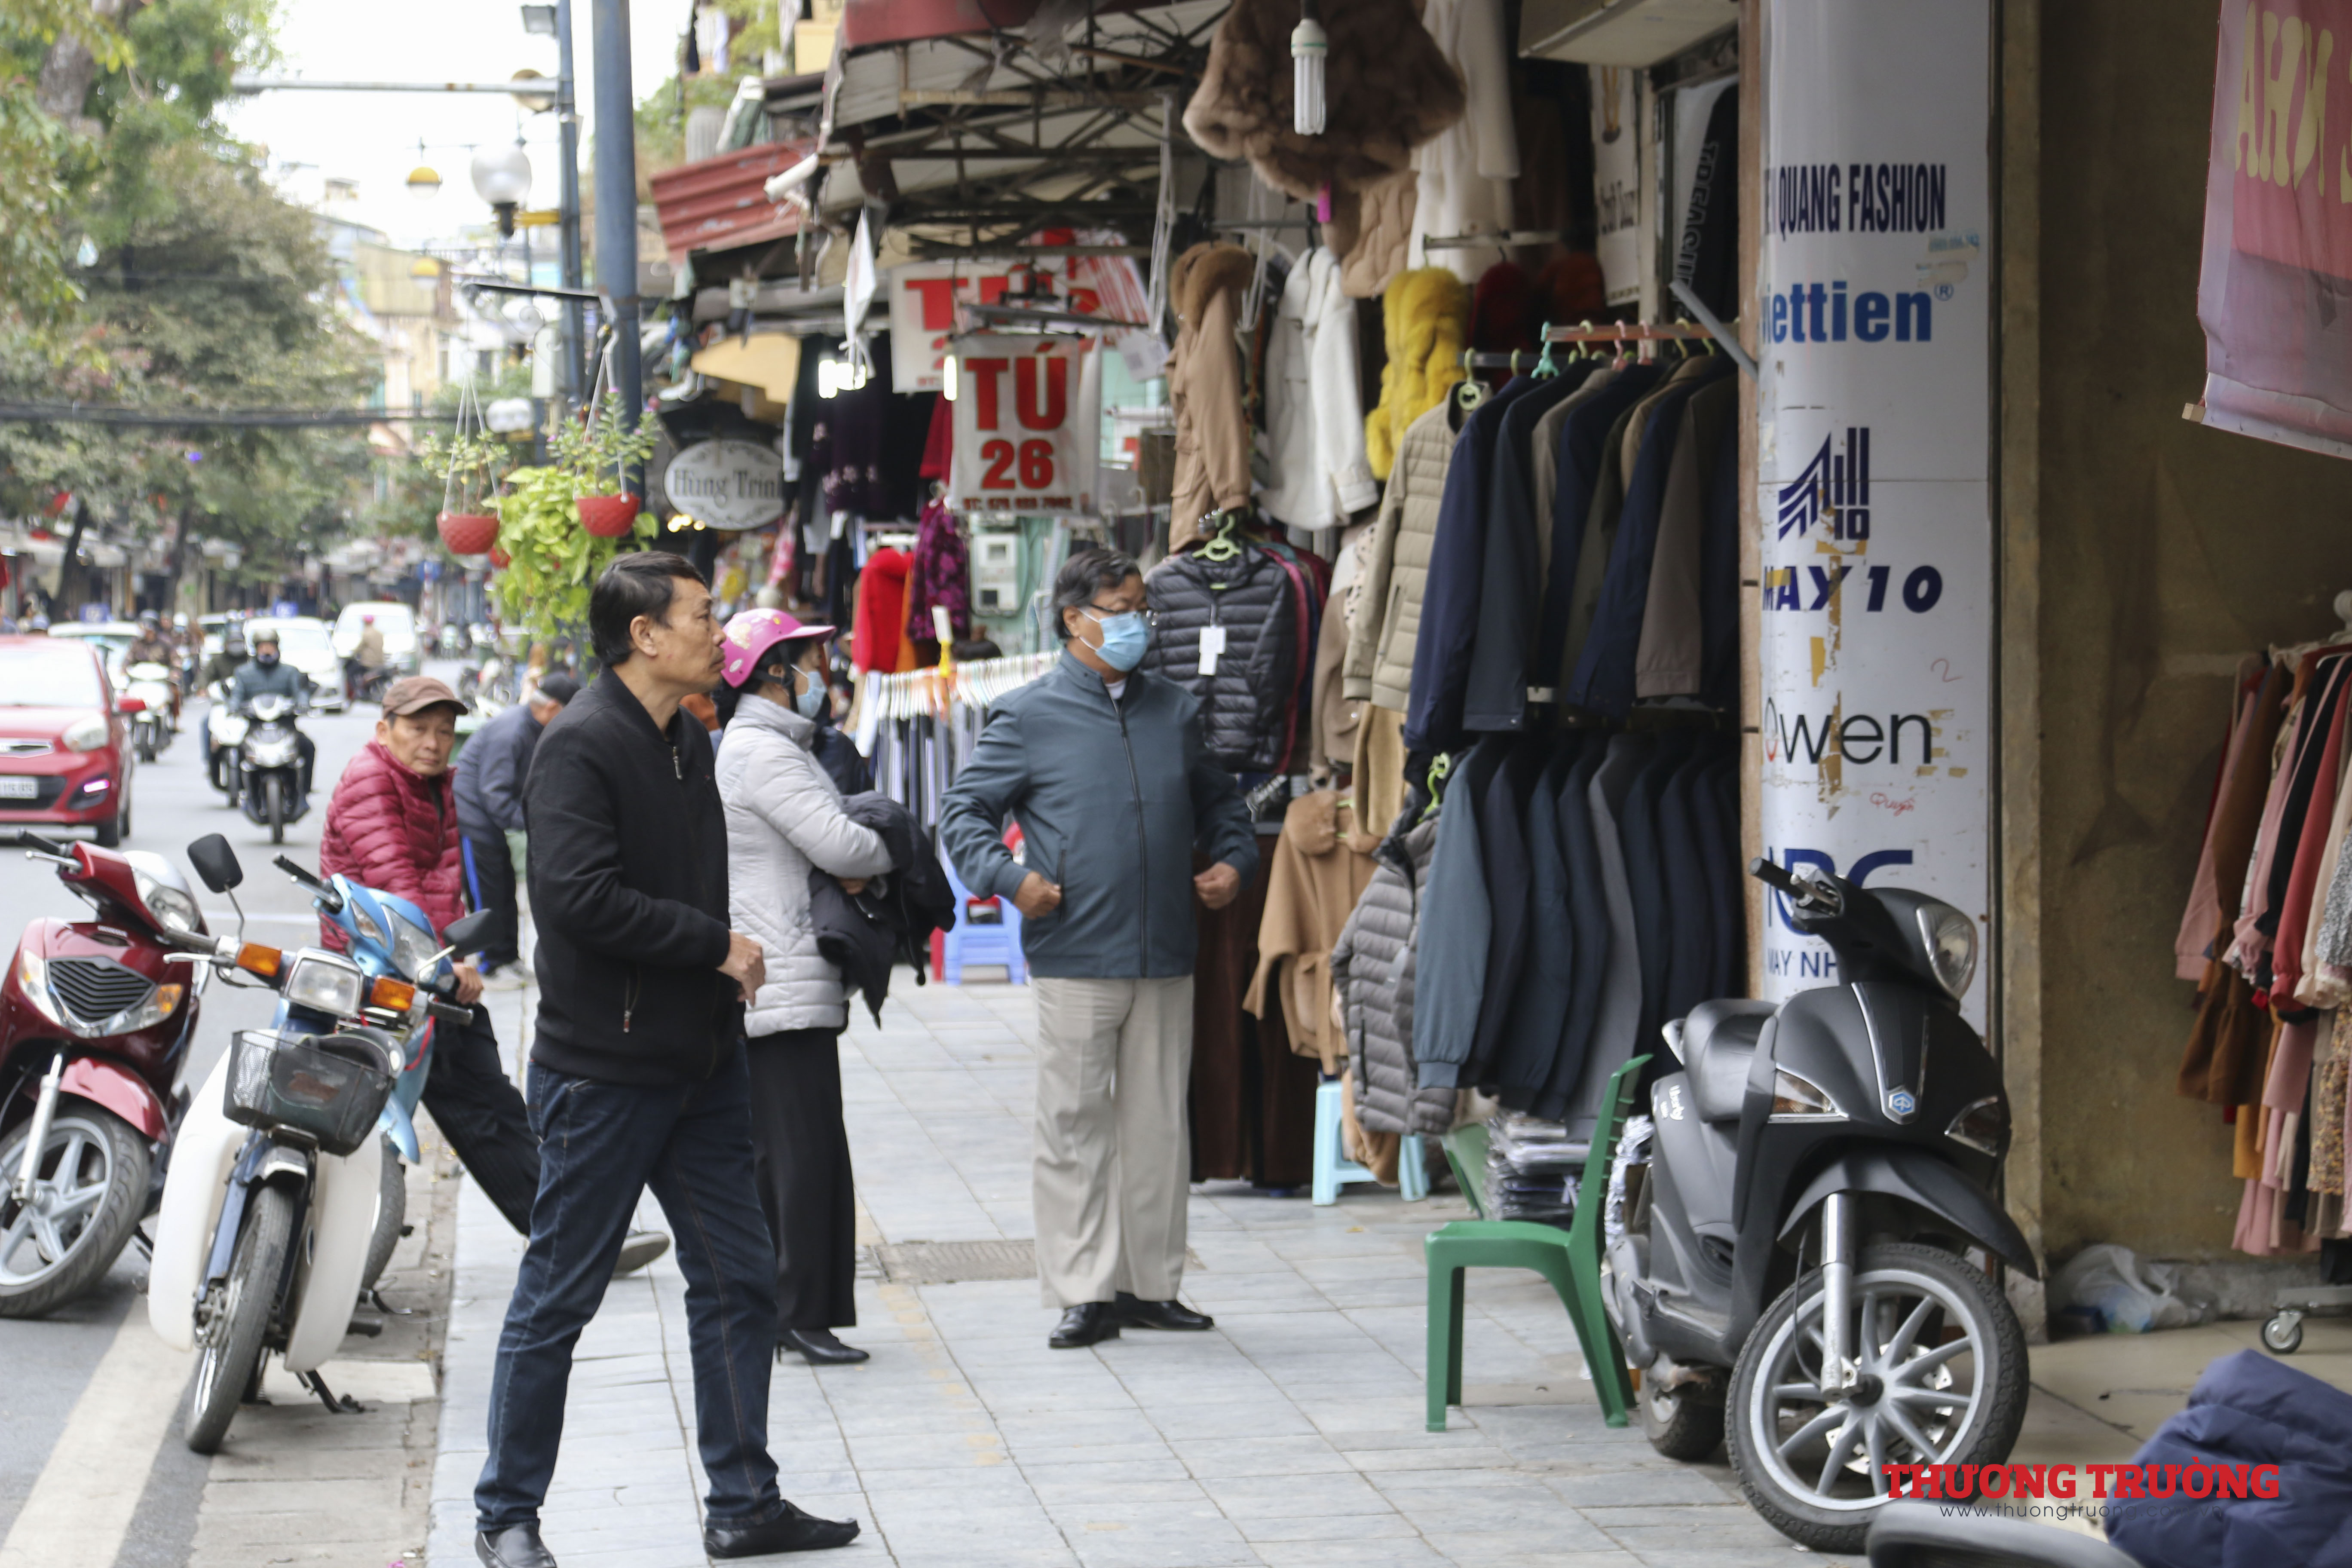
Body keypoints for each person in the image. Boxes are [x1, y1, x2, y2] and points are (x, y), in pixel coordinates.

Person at [474, 553, 859, 1568]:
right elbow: (574, 899)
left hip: (701, 1063)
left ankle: (744, 1503)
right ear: (644, 635)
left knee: (739, 1280)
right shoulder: (581, 745)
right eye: (701, 616)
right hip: (602, 1071)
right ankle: (506, 1514)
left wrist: (721, 975)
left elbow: (699, 880)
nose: (717, 633)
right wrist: (712, 945)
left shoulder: (687, 737)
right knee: (560, 1294)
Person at [937, 547, 1259, 1351]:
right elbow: (964, 814)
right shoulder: (1027, 714)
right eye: (1122, 610)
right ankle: (1084, 1291)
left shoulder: (1175, 711)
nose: (1138, 624)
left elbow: (1222, 805)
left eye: (1143, 609)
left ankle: (1148, 1286)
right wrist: (1011, 880)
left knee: (1159, 1130)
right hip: (1075, 951)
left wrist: (1233, 861)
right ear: (1074, 618)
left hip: (1167, 952)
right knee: (1074, 1126)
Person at [711, 610, 894, 1368]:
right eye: (812, 660)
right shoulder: (765, 752)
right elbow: (842, 843)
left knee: (786, 1155)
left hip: (779, 976)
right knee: (803, 1157)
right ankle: (801, 1314)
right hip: (784, 980)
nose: (824, 673)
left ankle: (791, 1310)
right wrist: (890, 846)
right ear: (773, 674)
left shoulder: (772, 745)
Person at [452, 673, 579, 987]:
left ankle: (508, 957)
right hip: (474, 819)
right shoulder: (510, 731)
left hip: (492, 822)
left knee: (505, 889)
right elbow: (494, 792)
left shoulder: (534, 726)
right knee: (487, 894)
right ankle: (489, 963)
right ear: (552, 708)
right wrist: (535, 823)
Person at [227, 628, 315, 795]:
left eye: (270, 646)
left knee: (308, 747)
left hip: (285, 726)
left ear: (277, 647)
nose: (267, 651)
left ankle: (303, 792)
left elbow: (300, 692)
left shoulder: (290, 672)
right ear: (256, 649)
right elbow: (237, 694)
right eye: (263, 647)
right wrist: (233, 707)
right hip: (256, 727)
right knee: (238, 751)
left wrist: (303, 703)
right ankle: (244, 792)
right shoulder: (243, 673)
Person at [348, 611, 387, 702]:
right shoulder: (379, 634)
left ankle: (357, 691)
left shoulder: (366, 633)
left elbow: (360, 648)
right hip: (380, 663)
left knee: (351, 672)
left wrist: (353, 654)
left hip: (368, 664)